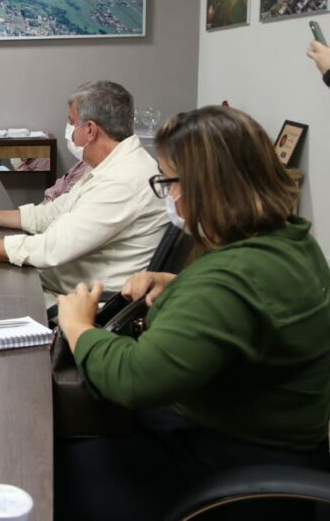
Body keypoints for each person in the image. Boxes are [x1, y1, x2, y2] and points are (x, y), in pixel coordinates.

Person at [54, 106, 330, 520]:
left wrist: (77, 325)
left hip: (229, 464)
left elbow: (134, 380)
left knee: (56, 463)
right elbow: (248, 308)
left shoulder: (231, 279)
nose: (169, 195)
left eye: (169, 181)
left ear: (205, 187)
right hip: (271, 439)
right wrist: (177, 284)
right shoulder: (292, 243)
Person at [0, 81, 167, 303]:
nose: (69, 130)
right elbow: (49, 214)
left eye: (71, 122)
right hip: (59, 282)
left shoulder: (123, 180)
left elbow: (50, 249)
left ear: (91, 130)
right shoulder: (108, 165)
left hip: (79, 301)